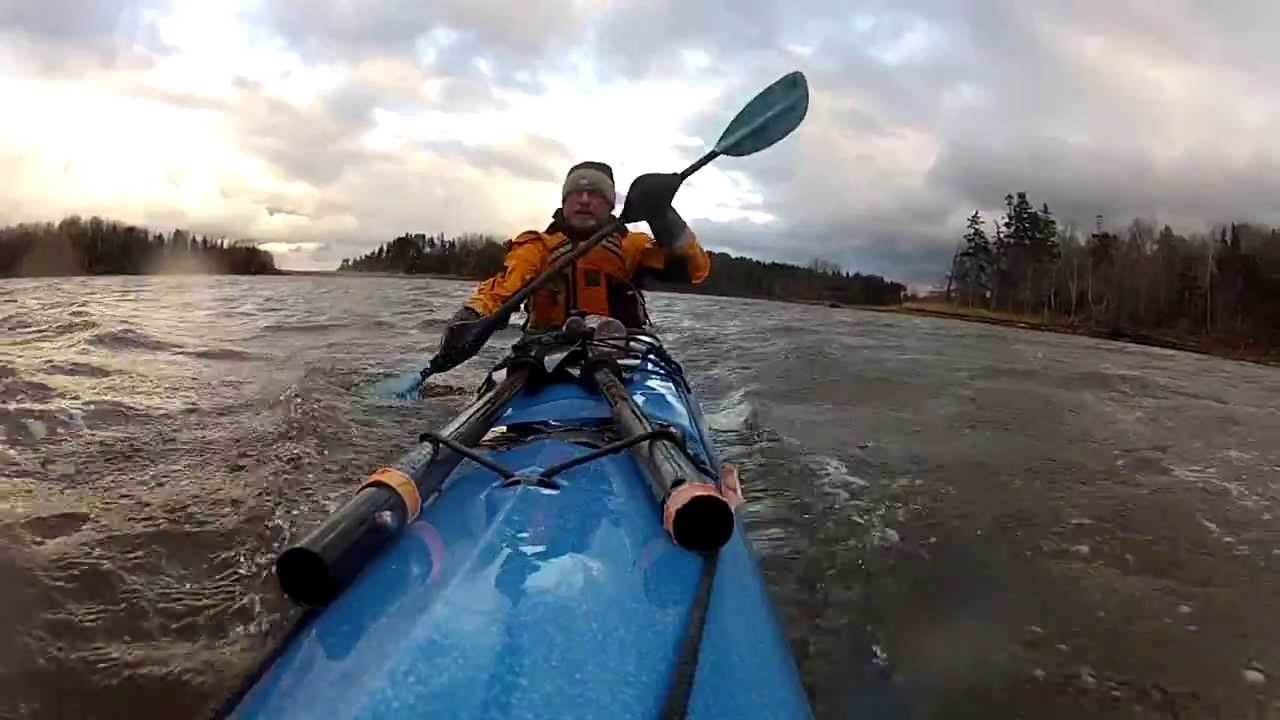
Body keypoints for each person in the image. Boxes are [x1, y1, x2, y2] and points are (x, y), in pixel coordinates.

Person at [437, 161, 710, 358]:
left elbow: (694, 270)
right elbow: (502, 288)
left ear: (610, 204)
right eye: (576, 194)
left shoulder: (632, 247)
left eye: (595, 194)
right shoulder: (537, 247)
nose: (584, 200)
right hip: (544, 353)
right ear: (564, 202)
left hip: (619, 352)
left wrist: (663, 217)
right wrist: (472, 314)